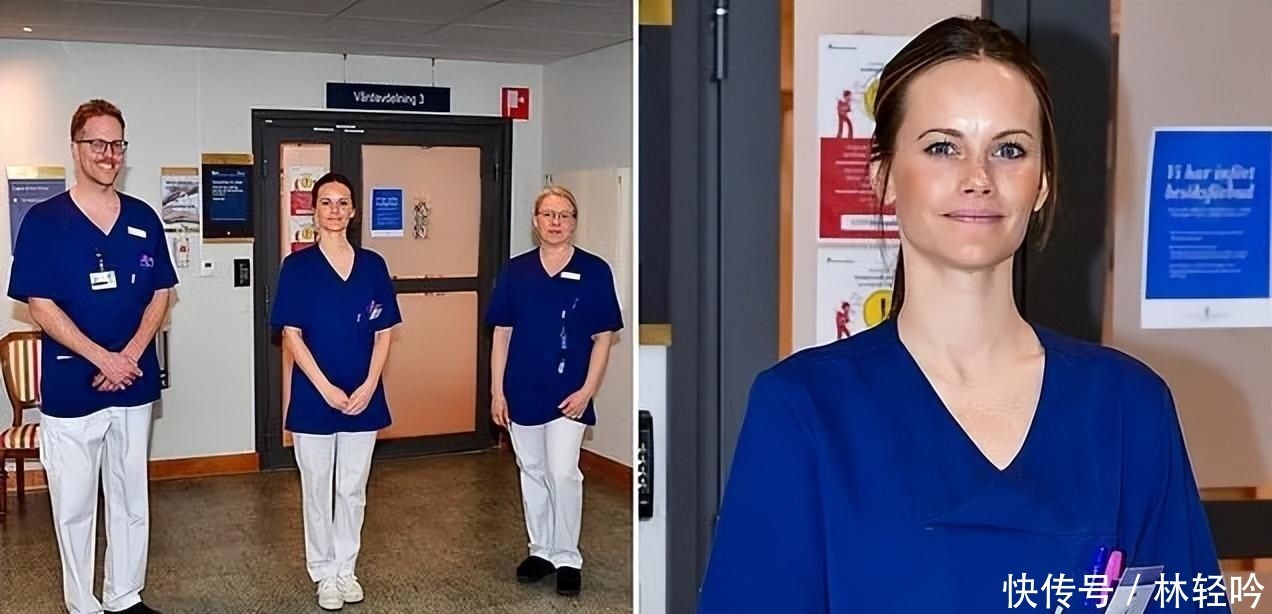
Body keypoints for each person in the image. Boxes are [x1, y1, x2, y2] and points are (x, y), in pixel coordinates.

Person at [698, 17, 1223, 613]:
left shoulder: (1128, 409)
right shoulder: (804, 410)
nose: (978, 178)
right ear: (883, 175)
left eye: (1009, 149)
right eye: (942, 148)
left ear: (1041, 183)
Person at [7, 99, 175, 614]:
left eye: (117, 144)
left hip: (133, 381)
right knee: (74, 506)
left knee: (130, 498)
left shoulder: (143, 217)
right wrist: (103, 358)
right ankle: (83, 604)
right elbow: (39, 305)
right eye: (97, 143)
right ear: (75, 147)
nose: (108, 154)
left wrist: (129, 355)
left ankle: (124, 596)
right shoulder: (44, 221)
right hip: (71, 386)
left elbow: (161, 293)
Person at [269, 172, 402, 611]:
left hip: (363, 395)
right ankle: (324, 573)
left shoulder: (373, 266)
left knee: (351, 487)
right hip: (315, 395)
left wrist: (369, 384)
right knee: (316, 487)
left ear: (353, 211)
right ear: (313, 210)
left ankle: (347, 569)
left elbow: (384, 333)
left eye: (343, 202)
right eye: (326, 202)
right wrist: (324, 387)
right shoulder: (298, 268)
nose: (334, 210)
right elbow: (290, 334)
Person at [487, 185, 624, 597]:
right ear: (535, 221)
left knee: (563, 472)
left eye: (564, 215)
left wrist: (588, 390)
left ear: (574, 222)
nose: (556, 222)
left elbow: (603, 337)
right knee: (532, 470)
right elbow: (501, 333)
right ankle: (541, 549)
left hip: (570, 393)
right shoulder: (516, 271)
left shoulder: (594, 271)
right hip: (521, 389)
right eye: (548, 214)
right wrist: (497, 391)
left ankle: (567, 556)